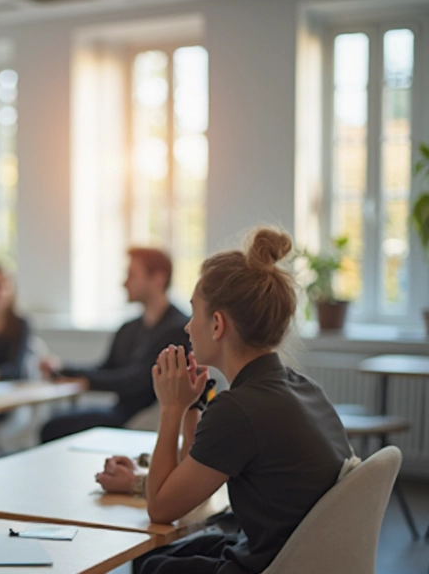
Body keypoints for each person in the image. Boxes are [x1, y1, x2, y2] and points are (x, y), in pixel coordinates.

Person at [131, 228, 352, 574]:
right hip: (301, 553)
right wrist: (189, 406)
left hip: (275, 564)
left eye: (194, 314)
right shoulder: (301, 387)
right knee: (159, 557)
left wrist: (171, 409)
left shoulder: (238, 410)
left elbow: (161, 508)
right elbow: (196, 479)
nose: (188, 328)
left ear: (217, 324)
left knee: (152, 567)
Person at [40, 248, 189, 443]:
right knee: (54, 424)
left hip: (146, 418)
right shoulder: (129, 328)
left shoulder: (178, 329)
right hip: (119, 411)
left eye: (131, 275)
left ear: (157, 279)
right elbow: (106, 368)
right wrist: (63, 370)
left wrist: (87, 380)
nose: (124, 283)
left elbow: (136, 381)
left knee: (52, 428)